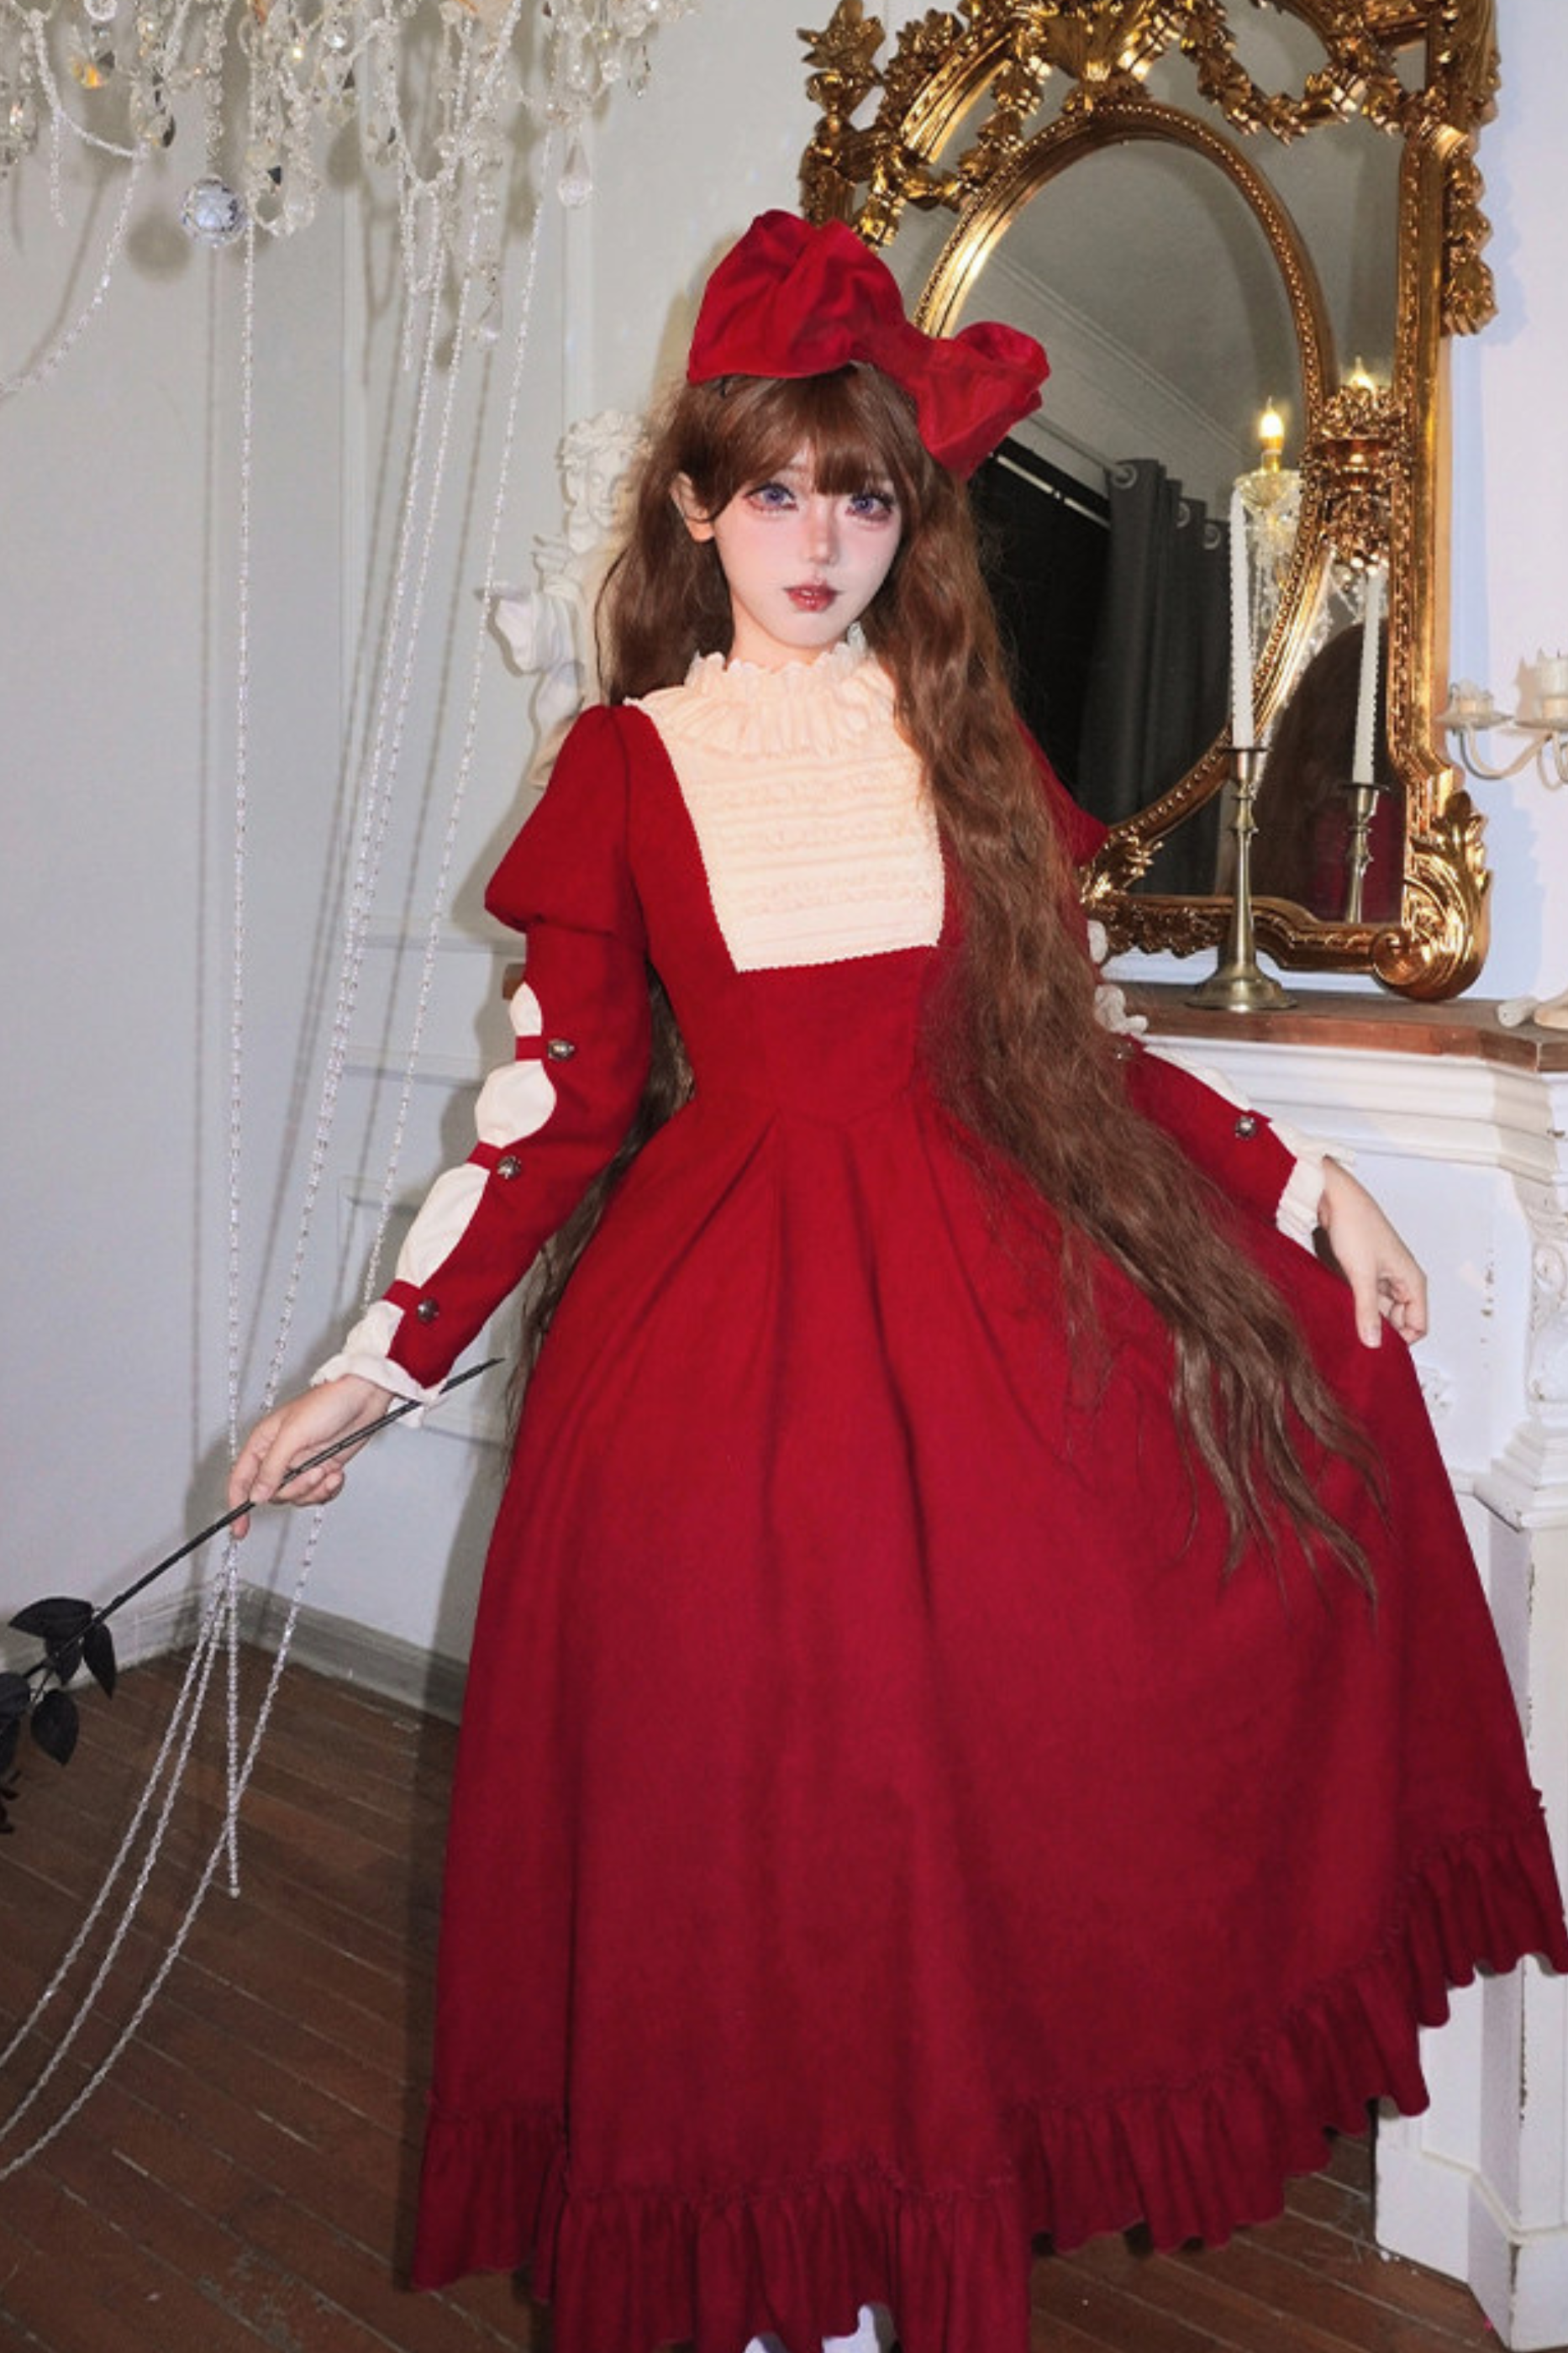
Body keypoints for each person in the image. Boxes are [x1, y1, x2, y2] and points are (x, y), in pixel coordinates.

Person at [229, 212, 1568, 2353]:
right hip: (718, 1358)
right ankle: (775, 2271)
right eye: (775, 492)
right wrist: (375, 1367)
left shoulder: (959, 742)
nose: (821, 540)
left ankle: (897, 2228)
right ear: (696, 507)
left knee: (975, 1789)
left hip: (976, 1317)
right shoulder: (622, 766)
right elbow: (553, 1114)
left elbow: (1079, 1049)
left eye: (861, 495)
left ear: (904, 515)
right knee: (755, 1828)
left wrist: (1310, 1184)